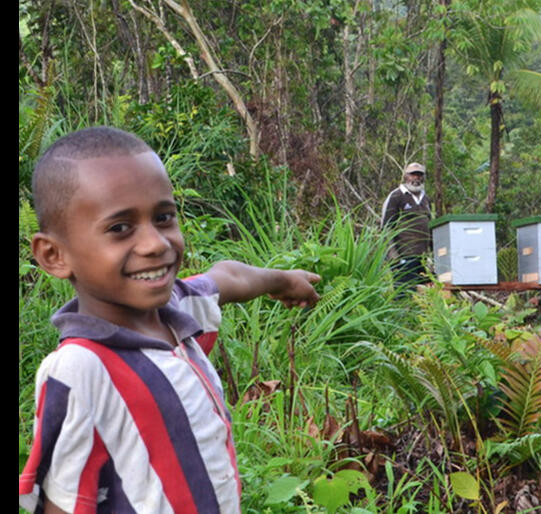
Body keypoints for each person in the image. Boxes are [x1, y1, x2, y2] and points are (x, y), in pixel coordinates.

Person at [18, 126, 321, 514]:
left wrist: (283, 280)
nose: (156, 244)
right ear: (54, 255)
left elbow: (228, 277)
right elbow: (63, 503)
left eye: (163, 217)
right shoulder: (81, 369)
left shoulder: (176, 311)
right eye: (120, 228)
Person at [380, 162, 432, 290]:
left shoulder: (426, 199)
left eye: (420, 175)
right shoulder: (396, 196)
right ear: (405, 176)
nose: (416, 178)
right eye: (413, 174)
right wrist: (394, 257)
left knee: (423, 297)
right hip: (403, 257)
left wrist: (434, 256)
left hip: (423, 259)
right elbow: (386, 228)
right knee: (403, 295)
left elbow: (430, 226)